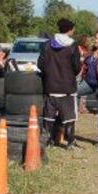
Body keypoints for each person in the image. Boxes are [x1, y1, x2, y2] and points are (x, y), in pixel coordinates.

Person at [37, 18, 82, 149]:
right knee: (69, 117)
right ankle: (70, 142)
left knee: (49, 116)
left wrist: (49, 74)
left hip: (50, 86)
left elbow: (40, 64)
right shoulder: (73, 45)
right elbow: (77, 67)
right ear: (70, 30)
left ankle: (48, 141)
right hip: (67, 88)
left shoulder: (47, 44)